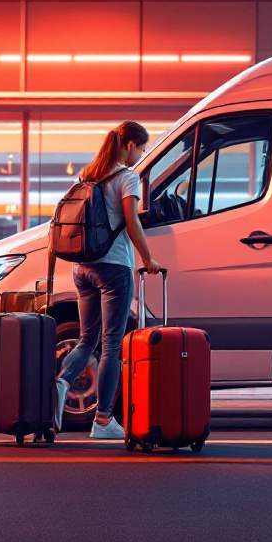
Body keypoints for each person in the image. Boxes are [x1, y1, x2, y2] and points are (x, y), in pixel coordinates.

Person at [55, 120, 163, 439]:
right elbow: (131, 222)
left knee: (88, 340)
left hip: (82, 267)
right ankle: (103, 421)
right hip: (113, 267)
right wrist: (148, 258)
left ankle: (61, 381)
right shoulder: (127, 178)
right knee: (112, 345)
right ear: (129, 145)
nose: (139, 155)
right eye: (141, 148)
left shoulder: (88, 174)